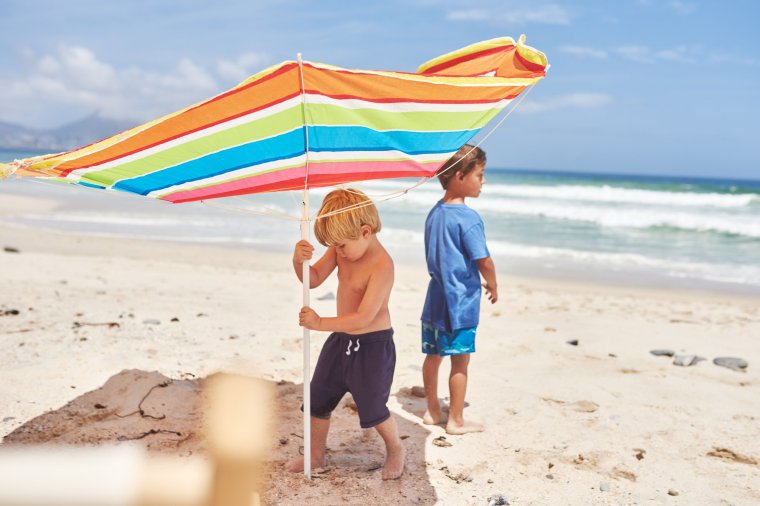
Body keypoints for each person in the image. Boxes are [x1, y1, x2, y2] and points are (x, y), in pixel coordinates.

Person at [288, 188, 406, 480]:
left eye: (340, 246)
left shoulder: (382, 265)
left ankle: (395, 449)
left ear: (365, 231)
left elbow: (365, 317)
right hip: (341, 339)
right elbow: (312, 280)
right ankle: (316, 456)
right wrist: (298, 261)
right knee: (318, 398)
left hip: (372, 346)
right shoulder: (344, 244)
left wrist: (319, 322)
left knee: (373, 407)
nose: (338, 252)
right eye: (333, 246)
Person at [420, 144, 498, 435]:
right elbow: (484, 260)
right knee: (460, 362)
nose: (484, 181)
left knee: (433, 355)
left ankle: (432, 410)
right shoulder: (468, 219)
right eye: (480, 174)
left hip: (435, 297)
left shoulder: (434, 213)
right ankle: (456, 420)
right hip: (460, 302)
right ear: (459, 176)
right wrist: (493, 282)